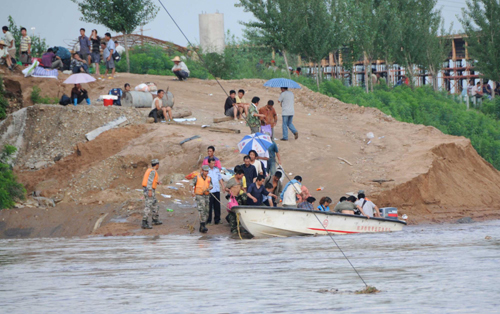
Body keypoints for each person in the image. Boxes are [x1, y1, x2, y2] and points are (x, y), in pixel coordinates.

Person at [141, 159, 162, 229]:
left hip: (149, 189)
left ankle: (155, 219)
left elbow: (151, 180)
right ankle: (144, 222)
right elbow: (149, 181)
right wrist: (150, 190)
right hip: (149, 190)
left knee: (154, 203)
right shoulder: (152, 171)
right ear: (157, 165)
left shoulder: (150, 170)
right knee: (148, 205)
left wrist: (157, 182)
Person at [191, 165, 213, 233]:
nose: (206, 172)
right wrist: (192, 192)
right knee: (202, 209)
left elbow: (211, 185)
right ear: (202, 171)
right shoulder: (197, 177)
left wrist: (210, 188)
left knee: (207, 210)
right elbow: (191, 185)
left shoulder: (209, 178)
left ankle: (203, 225)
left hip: (206, 195)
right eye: (205, 171)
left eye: (207, 171)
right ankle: (203, 225)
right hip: (199, 195)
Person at [207, 157, 225, 225]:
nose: (213, 164)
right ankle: (209, 220)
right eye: (212, 163)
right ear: (208, 163)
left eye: (214, 163)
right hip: (210, 191)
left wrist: (223, 186)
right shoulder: (206, 170)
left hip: (217, 190)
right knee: (209, 206)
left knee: (217, 205)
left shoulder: (216, 170)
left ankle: (217, 219)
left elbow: (220, 178)